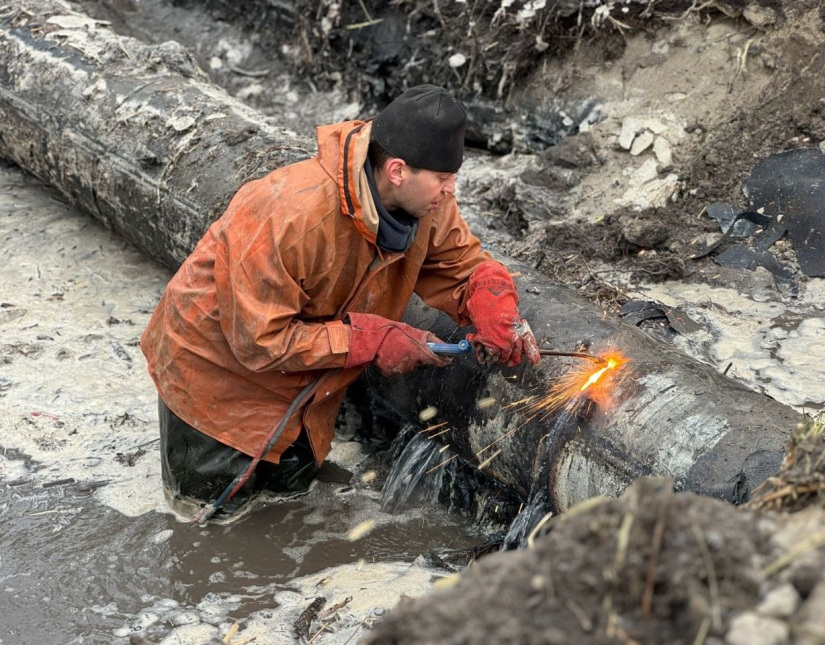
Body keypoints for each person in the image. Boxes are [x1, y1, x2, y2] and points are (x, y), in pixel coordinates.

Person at [140, 85, 540, 519]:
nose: (450, 191)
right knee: (209, 523)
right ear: (398, 171)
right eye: (443, 179)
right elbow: (258, 341)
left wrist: (490, 294)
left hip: (309, 381)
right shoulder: (292, 213)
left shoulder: (428, 206)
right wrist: (371, 340)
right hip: (214, 379)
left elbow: (461, 264)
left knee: (286, 508)